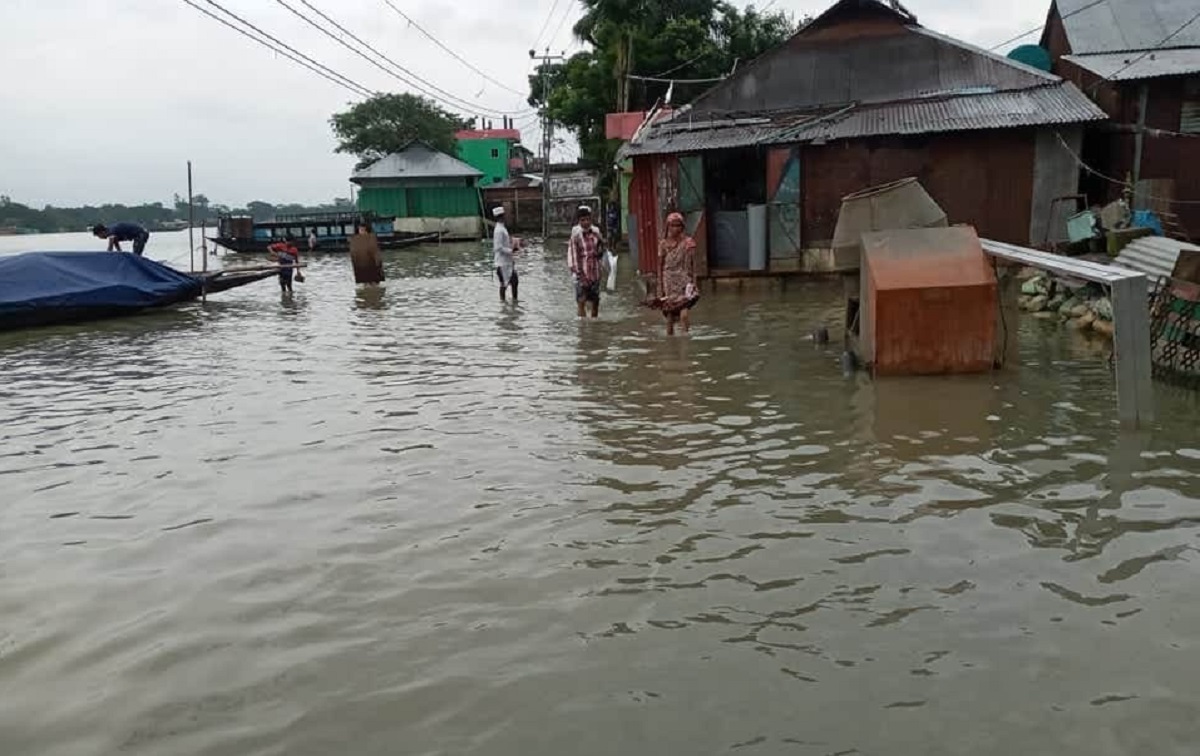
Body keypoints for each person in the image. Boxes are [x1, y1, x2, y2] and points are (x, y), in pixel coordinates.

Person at [657, 211, 699, 335]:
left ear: (683, 227)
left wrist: (694, 283)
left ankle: (685, 339)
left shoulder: (688, 243)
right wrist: (660, 287)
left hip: (684, 281)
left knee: (684, 312)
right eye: (673, 225)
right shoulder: (663, 244)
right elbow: (660, 266)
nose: (676, 228)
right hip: (668, 281)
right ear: (668, 227)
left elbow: (693, 265)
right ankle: (671, 343)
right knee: (669, 316)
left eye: (678, 225)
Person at [569, 205, 604, 318]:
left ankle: (594, 325)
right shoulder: (576, 235)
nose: (586, 222)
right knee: (581, 300)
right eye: (582, 220)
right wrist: (577, 272)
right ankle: (582, 327)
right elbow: (574, 254)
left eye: (588, 219)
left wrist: (601, 246)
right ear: (579, 221)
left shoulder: (596, 232)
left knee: (595, 301)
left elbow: (601, 249)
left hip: (595, 272)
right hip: (582, 272)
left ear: (591, 219)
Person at [492, 206, 519, 302]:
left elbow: (504, 243)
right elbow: (498, 247)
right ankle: (503, 303)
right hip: (502, 263)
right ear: (502, 217)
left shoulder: (502, 228)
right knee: (504, 284)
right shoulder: (499, 230)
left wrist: (513, 242)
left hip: (507, 262)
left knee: (514, 282)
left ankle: (513, 303)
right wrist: (511, 250)